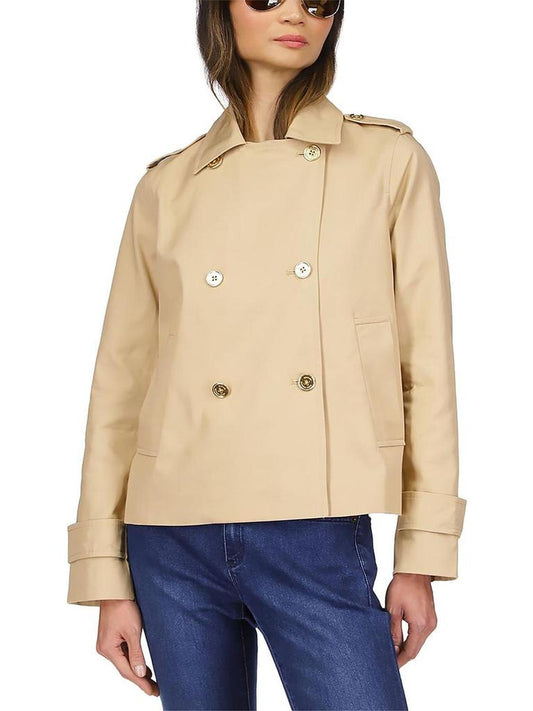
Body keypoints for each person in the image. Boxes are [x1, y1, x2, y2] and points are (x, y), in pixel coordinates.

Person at [66, 1, 467, 709]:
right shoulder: (166, 185)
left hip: (315, 528)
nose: (296, 15)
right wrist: (104, 574)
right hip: (171, 534)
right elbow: (121, 384)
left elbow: (426, 366)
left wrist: (422, 553)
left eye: (318, 2)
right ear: (221, 13)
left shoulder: (387, 162)